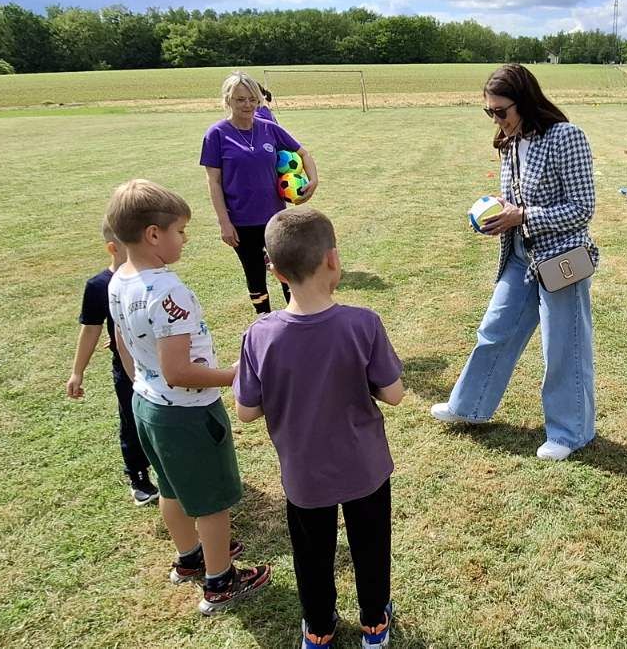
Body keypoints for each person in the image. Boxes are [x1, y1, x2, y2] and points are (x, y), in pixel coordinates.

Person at [235, 207, 404, 649]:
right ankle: (374, 622)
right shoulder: (362, 323)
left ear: (273, 271)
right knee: (370, 545)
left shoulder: (259, 335)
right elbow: (394, 393)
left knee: (311, 555)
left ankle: (319, 628)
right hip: (364, 468)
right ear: (333, 259)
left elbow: (246, 412)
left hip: (303, 474)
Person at [104, 178, 272, 615]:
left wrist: (143, 382)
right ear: (153, 234)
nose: (184, 239)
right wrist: (235, 374)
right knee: (211, 502)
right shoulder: (167, 290)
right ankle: (220, 581)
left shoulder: (118, 278)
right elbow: (180, 371)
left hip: (147, 405)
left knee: (172, 487)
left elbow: (122, 342)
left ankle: (189, 557)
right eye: (180, 231)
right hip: (186, 413)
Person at [431, 64, 598, 462]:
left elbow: (582, 209)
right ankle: (469, 406)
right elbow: (517, 200)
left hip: (562, 260)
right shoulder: (510, 142)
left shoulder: (565, 137)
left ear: (524, 103)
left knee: (563, 348)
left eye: (501, 111)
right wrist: (497, 215)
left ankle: (571, 433)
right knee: (493, 331)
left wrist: (522, 215)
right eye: (489, 112)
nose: (496, 120)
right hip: (521, 255)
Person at [201, 72, 319, 314]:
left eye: (252, 99)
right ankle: (264, 320)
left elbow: (304, 153)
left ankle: (295, 318)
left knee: (287, 270)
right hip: (241, 221)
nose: (247, 105)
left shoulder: (270, 129)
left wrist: (313, 181)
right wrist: (224, 222)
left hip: (275, 219)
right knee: (254, 273)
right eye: (240, 99)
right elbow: (213, 182)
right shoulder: (216, 134)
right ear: (228, 100)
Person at [67, 221, 158, 506]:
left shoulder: (152, 278)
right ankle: (138, 475)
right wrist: (77, 372)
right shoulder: (99, 286)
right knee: (132, 420)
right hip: (127, 368)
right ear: (113, 248)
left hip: (158, 361)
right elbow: (92, 328)